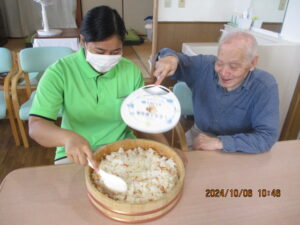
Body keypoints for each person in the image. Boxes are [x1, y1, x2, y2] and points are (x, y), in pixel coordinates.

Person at [28, 6, 160, 168]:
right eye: (100, 51)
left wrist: (168, 148)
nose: (108, 58)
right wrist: (67, 138)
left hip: (122, 149)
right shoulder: (59, 72)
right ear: (83, 41)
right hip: (77, 152)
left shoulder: (131, 71)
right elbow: (36, 125)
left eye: (116, 52)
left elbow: (144, 119)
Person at [154, 31, 279, 153]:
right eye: (219, 63)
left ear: (252, 63)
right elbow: (175, 59)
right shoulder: (205, 66)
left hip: (241, 145)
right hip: (199, 135)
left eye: (233, 66)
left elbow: (266, 137)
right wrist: (170, 59)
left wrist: (219, 142)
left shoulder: (265, 86)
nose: (224, 73)